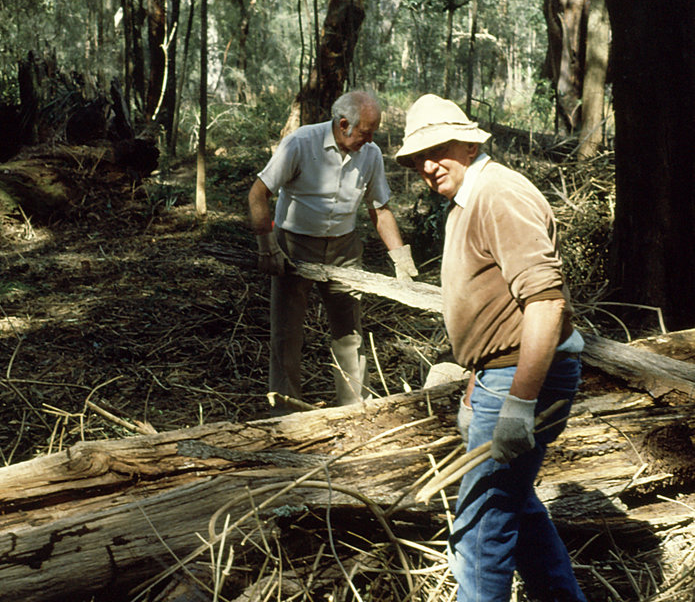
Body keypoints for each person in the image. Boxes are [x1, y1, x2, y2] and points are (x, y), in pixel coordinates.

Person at [396, 94, 586, 602]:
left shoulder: (499, 194)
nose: (427, 166)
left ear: (469, 141)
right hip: (496, 378)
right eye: (417, 159)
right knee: (514, 506)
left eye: (437, 151)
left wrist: (519, 403)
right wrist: (473, 392)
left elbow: (545, 304)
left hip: (525, 378)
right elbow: (497, 310)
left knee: (480, 526)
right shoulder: (467, 198)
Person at [248, 90, 418, 414]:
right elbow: (258, 194)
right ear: (343, 125)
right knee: (286, 335)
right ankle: (285, 412)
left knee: (350, 334)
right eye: (366, 132)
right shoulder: (300, 143)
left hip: (344, 249)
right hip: (294, 246)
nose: (370, 140)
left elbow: (380, 210)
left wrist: (401, 257)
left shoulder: (371, 154)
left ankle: (354, 409)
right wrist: (267, 247)